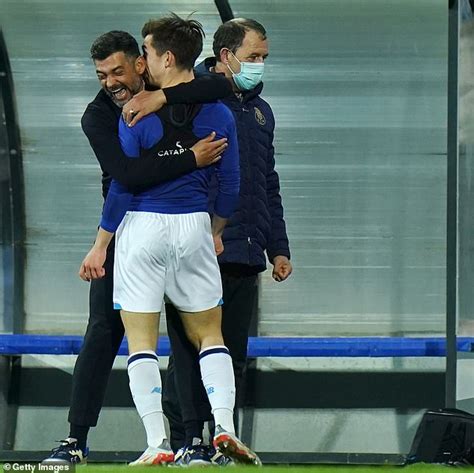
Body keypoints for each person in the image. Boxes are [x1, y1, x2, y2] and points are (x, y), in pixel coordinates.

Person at [42, 30, 233, 465]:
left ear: (141, 64)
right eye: (101, 74)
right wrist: (190, 159)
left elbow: (221, 84)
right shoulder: (96, 116)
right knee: (103, 331)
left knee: (187, 338)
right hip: (122, 229)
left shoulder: (169, 91)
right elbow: (127, 175)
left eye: (117, 70)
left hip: (176, 227)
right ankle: (75, 440)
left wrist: (161, 100)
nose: (110, 81)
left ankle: (192, 440)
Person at [78, 14, 261, 466]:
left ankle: (158, 442)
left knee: (141, 341)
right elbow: (233, 184)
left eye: (146, 52)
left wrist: (102, 242)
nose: (142, 60)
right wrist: (216, 231)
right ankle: (224, 427)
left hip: (141, 229)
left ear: (164, 57)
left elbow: (123, 185)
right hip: (194, 226)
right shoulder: (219, 111)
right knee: (210, 336)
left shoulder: (137, 110)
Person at [144, 18, 293, 466]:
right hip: (197, 245)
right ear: (225, 55)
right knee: (189, 351)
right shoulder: (195, 97)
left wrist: (278, 246)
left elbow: (268, 181)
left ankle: (222, 439)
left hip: (246, 250)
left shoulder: (262, 111)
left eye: (264, 57)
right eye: (252, 56)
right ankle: (189, 439)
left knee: (234, 353)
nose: (259, 65)